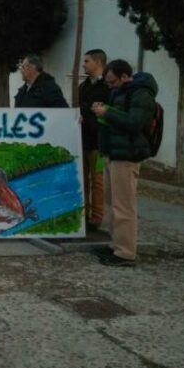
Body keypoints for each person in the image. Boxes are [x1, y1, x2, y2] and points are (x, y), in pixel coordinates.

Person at [91, 59, 158, 267]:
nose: (110, 86)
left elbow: (135, 123)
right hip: (113, 153)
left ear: (124, 76)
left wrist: (107, 112)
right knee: (113, 203)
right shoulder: (120, 92)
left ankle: (125, 252)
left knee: (124, 206)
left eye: (112, 82)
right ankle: (115, 244)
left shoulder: (141, 93)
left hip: (127, 155)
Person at [79, 49, 111, 231]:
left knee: (97, 179)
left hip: (99, 142)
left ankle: (97, 216)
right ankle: (84, 212)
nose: (84, 65)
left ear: (98, 62)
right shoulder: (84, 87)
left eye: (87, 61)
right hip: (83, 139)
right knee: (83, 178)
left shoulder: (106, 87)